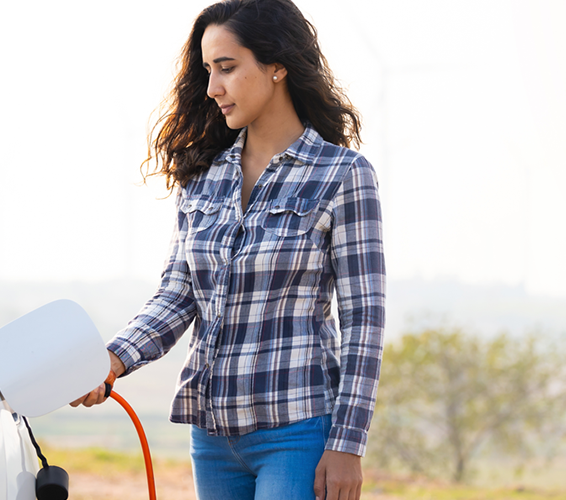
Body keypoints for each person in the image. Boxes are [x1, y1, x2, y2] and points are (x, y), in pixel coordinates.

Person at [69, 1, 385, 499]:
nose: (213, 87)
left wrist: (347, 444)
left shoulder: (343, 176)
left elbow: (364, 320)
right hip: (212, 439)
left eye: (227, 68)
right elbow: (177, 296)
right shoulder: (203, 177)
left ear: (277, 65)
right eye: (208, 71)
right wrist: (111, 359)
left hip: (297, 431)